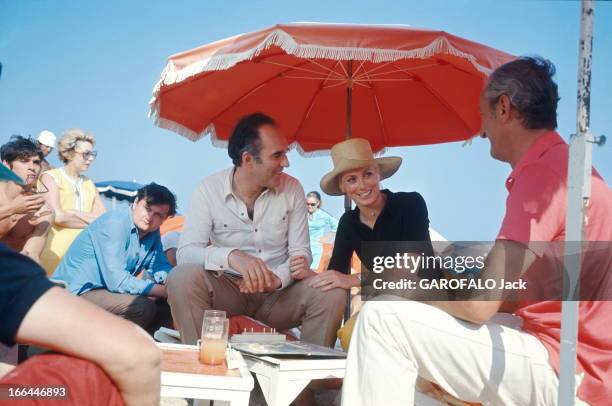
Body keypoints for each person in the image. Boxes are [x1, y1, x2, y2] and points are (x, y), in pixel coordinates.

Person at [341, 57, 612, 406]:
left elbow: (479, 306)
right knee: (417, 362)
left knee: (382, 319)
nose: (481, 130)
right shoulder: (570, 167)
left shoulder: (544, 179)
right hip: (583, 362)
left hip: (568, 370)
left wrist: (404, 285)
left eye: (482, 115)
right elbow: (516, 297)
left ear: (504, 109)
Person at [166, 113, 346, 348]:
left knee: (331, 293)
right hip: (228, 289)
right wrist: (232, 256)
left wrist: (277, 279)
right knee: (181, 278)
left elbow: (301, 252)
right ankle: (205, 371)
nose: (286, 163)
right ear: (248, 159)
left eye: (285, 154)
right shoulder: (208, 190)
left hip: (279, 296)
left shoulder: (292, 189)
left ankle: (309, 382)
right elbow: (186, 253)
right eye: (277, 155)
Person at [0, 165, 161, 406]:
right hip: (78, 293)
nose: (39, 214)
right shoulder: (9, 270)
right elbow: (139, 355)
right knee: (78, 379)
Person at [309, 138, 434, 349]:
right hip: (385, 303)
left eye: (367, 174)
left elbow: (410, 269)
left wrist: (353, 280)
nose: (362, 185)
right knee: (350, 338)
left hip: (427, 296)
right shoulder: (348, 222)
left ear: (378, 174)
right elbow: (335, 275)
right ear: (342, 186)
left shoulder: (410, 203)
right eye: (351, 179)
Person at [52, 183, 176, 333]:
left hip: (103, 293)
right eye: (147, 209)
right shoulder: (115, 223)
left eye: (158, 215)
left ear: (165, 219)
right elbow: (117, 281)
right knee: (141, 307)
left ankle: (150, 351)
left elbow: (159, 266)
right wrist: (162, 290)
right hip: (74, 295)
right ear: (136, 202)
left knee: (167, 305)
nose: (150, 217)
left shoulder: (152, 233)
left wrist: (176, 284)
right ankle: (107, 351)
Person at [39, 128, 106, 274]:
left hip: (83, 263)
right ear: (69, 153)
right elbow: (58, 216)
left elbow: (104, 221)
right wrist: (89, 220)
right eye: (85, 154)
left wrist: (73, 213)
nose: (90, 158)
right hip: (53, 260)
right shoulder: (49, 177)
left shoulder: (89, 184)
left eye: (92, 154)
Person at [0, 135, 54, 262]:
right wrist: (12, 209)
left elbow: (31, 256)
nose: (32, 167)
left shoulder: (44, 212)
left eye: (36, 162)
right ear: (7, 164)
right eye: (24, 161)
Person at [306, 191, 338, 271]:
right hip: (302, 247)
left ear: (318, 203)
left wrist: (327, 237)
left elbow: (338, 225)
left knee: (312, 274)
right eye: (307, 204)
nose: (309, 206)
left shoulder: (323, 215)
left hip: (316, 248)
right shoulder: (301, 214)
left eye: (312, 204)